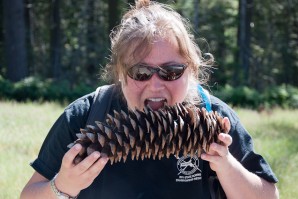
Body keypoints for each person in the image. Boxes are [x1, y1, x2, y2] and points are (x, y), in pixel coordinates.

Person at [21, 0, 279, 198]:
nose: (155, 85)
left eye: (171, 72)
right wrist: (62, 186)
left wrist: (226, 165)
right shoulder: (84, 118)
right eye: (140, 72)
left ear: (192, 71)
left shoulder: (214, 121)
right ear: (120, 74)